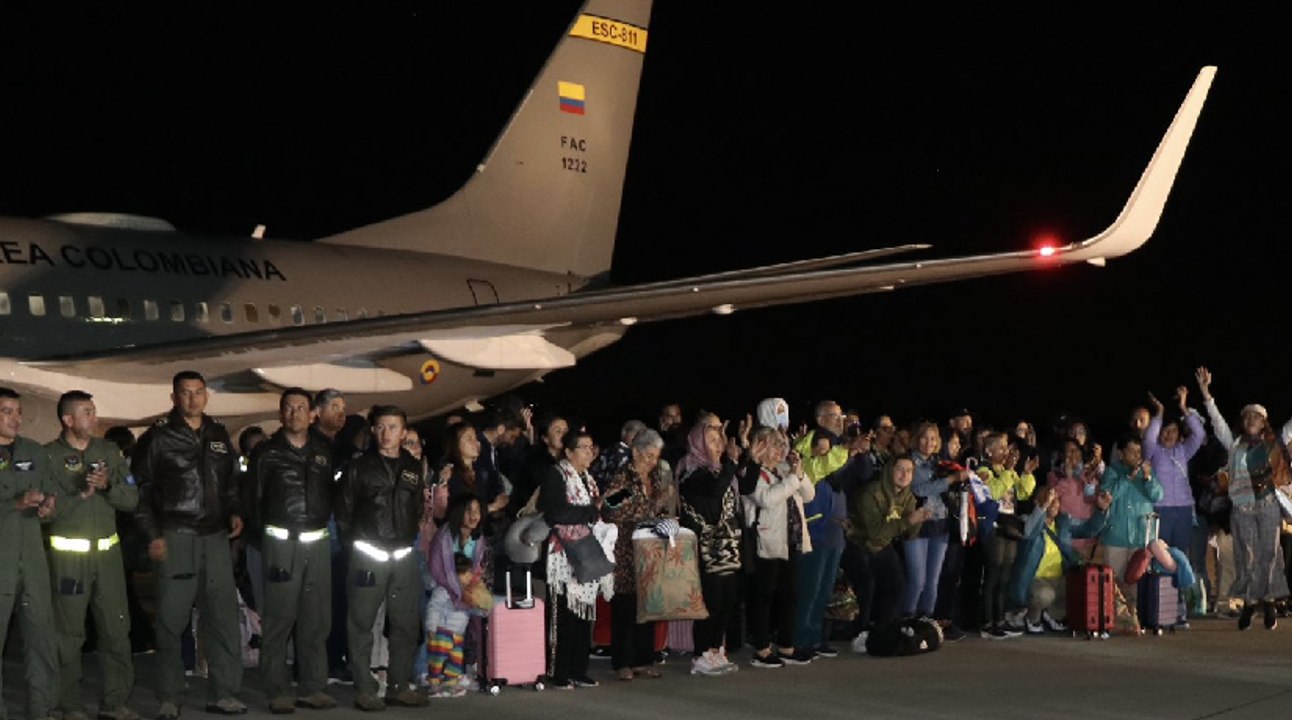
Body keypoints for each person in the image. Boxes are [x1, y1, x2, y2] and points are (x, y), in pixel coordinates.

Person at [131, 371, 245, 718]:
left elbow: (231, 482)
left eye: (198, 392)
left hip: (214, 537)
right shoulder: (159, 436)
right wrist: (153, 535)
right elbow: (142, 490)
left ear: (206, 395)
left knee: (224, 619)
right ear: (174, 397)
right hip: (176, 536)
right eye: (185, 393)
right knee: (170, 620)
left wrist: (235, 511)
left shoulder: (218, 433)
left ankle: (224, 692)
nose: (193, 399)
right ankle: (170, 696)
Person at [43, 391, 140, 720]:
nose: (94, 418)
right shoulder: (48, 457)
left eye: (94, 411)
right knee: (68, 635)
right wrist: (79, 495)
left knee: (116, 630)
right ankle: (68, 703)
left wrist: (109, 484)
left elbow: (131, 500)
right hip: (69, 560)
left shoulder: (108, 451)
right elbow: (42, 514)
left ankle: (115, 703)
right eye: (86, 412)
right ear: (67, 420)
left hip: (108, 558)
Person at [246, 388, 339, 713]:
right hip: (281, 543)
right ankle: (277, 689)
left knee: (316, 619)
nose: (295, 413)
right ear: (280, 412)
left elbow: (332, 493)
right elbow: (252, 501)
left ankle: (312, 687)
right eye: (289, 407)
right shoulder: (266, 453)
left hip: (317, 541)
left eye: (301, 407)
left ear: (312, 413)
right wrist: (267, 539)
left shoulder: (324, 451)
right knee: (279, 618)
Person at [335, 405, 429, 711]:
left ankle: (399, 686)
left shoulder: (414, 469)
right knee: (361, 624)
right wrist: (354, 548)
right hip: (368, 555)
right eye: (381, 427)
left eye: (393, 427)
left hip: (403, 555)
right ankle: (365, 688)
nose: (386, 433)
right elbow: (344, 512)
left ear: (404, 432)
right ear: (373, 431)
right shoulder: (359, 467)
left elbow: (416, 509)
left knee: (406, 624)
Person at [1197, 366, 1292, 630]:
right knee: (1245, 555)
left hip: (1268, 506)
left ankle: (1270, 601)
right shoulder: (1234, 444)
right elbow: (1216, 422)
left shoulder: (1274, 443)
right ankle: (1250, 603)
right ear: (1243, 421)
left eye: (1256, 417)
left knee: (1270, 555)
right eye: (1247, 416)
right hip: (1241, 509)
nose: (1251, 419)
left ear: (1263, 422)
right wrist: (1206, 394)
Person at [0, 387, 60, 720]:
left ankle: (42, 705)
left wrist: (48, 506)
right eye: (7, 411)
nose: (16, 418)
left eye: (18, 412)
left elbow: (50, 492)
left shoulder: (34, 451)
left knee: (41, 634)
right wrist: (13, 504)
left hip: (32, 557)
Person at [539, 430, 612, 690]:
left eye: (591, 446)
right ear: (568, 452)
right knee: (563, 615)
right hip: (563, 553)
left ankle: (578, 669)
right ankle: (558, 671)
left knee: (584, 613)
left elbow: (597, 511)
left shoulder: (588, 478)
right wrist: (590, 512)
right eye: (583, 447)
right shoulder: (557, 474)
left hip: (587, 550)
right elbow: (555, 511)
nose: (588, 452)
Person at [601, 429, 675, 681]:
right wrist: (644, 513)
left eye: (655, 457)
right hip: (626, 549)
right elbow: (610, 509)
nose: (652, 462)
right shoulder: (625, 479)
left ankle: (644, 659)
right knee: (625, 607)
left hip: (649, 551)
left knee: (647, 604)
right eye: (648, 456)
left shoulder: (654, 480)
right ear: (635, 452)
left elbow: (659, 510)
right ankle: (623, 662)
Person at [676, 415, 742, 676]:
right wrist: (732, 464)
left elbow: (739, 489)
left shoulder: (720, 469)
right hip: (703, 546)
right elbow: (715, 491)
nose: (718, 446)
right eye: (712, 441)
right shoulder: (691, 471)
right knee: (710, 601)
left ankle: (716, 648)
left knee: (727, 599)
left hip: (726, 545)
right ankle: (701, 653)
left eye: (719, 441)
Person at [746, 427, 814, 668]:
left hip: (790, 540)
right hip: (767, 541)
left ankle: (786, 644)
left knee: (790, 593)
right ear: (761, 446)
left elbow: (808, 495)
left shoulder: (785, 470)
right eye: (776, 445)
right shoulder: (753, 472)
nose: (781, 451)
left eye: (782, 446)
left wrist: (799, 472)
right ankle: (762, 648)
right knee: (763, 594)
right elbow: (765, 498)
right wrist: (793, 480)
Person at [849, 455, 931, 649]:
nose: (905, 475)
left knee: (897, 585)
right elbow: (875, 532)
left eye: (909, 471)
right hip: (857, 542)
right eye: (900, 469)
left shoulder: (908, 496)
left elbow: (908, 535)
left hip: (881, 545)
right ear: (889, 471)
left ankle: (884, 630)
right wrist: (909, 521)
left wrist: (919, 520)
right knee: (867, 584)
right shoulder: (872, 492)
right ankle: (861, 633)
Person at [1143, 386, 1207, 628]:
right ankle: (1160, 609)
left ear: (1179, 434)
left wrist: (1184, 408)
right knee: (1162, 560)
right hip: (1161, 511)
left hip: (1183, 512)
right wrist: (1158, 414)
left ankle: (1178, 611)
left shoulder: (1183, 451)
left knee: (1181, 560)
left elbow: (1199, 435)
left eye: (1173, 431)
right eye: (1165, 431)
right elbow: (1148, 438)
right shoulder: (1153, 452)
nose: (1168, 435)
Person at [1008, 485, 1109, 633]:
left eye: (1056, 500)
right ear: (1037, 502)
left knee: (1083, 588)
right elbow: (1029, 531)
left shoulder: (1063, 522)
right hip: (1034, 580)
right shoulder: (1027, 520)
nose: (1054, 502)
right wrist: (1043, 506)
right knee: (1045, 595)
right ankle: (1032, 619)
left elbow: (1089, 529)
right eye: (1049, 498)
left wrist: (1101, 510)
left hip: (1058, 578)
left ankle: (1051, 615)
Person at [427, 494, 493, 693]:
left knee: (462, 635)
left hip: (464, 592)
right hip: (441, 589)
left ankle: (458, 674)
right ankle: (430, 677)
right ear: (458, 513)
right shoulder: (444, 536)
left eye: (477, 511)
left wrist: (474, 591)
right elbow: (439, 570)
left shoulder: (478, 539)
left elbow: (479, 570)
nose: (474, 516)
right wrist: (459, 591)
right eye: (469, 511)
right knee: (438, 644)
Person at [976, 432, 1038, 639]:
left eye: (1006, 448)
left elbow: (1023, 493)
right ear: (988, 450)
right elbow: (992, 492)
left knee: (1005, 575)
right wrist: (1009, 471)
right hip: (994, 526)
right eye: (1001, 448)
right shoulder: (984, 470)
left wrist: (1027, 474)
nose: (1005, 452)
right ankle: (987, 623)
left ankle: (1000, 620)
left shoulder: (1006, 470)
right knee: (993, 573)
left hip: (1009, 526)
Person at [1098, 433, 1162, 625]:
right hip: (1115, 536)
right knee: (1115, 582)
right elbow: (1109, 495)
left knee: (1136, 581)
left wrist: (1148, 477)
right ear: (1120, 453)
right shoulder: (1111, 472)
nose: (1136, 455)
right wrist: (1127, 478)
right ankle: (1120, 619)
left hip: (1141, 537)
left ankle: (1136, 618)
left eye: (1138, 451)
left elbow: (1158, 495)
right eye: (1131, 451)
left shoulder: (1147, 472)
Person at [424, 553, 490, 698]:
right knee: (437, 659)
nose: (469, 576)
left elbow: (471, 608)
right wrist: (431, 627)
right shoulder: (444, 590)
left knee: (455, 660)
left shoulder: (466, 593)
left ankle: (450, 683)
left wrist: (482, 610)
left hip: (458, 634)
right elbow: (433, 607)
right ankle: (433, 683)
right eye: (466, 573)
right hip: (442, 631)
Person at [591, 419, 647, 491]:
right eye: (635, 434)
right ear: (625, 433)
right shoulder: (620, 452)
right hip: (606, 494)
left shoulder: (614, 448)